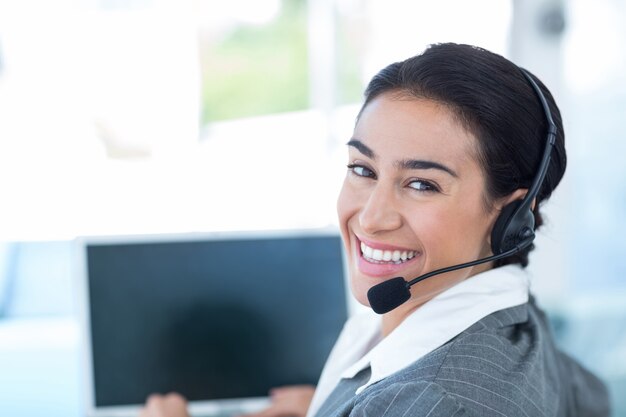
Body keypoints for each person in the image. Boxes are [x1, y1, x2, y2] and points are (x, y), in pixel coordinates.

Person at [139, 43, 610, 417]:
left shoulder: (436, 404)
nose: (370, 218)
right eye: (363, 169)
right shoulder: (515, 320)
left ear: (511, 216)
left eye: (422, 184)